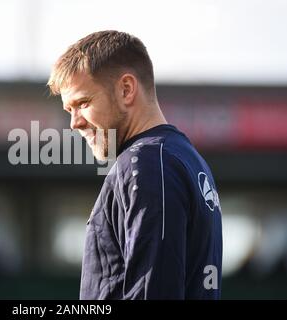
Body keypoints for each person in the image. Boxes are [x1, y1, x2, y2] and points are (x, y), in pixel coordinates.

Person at [47, 30, 223, 299]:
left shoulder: (147, 164)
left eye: (83, 103)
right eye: (69, 110)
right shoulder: (184, 158)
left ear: (126, 90)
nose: (75, 123)